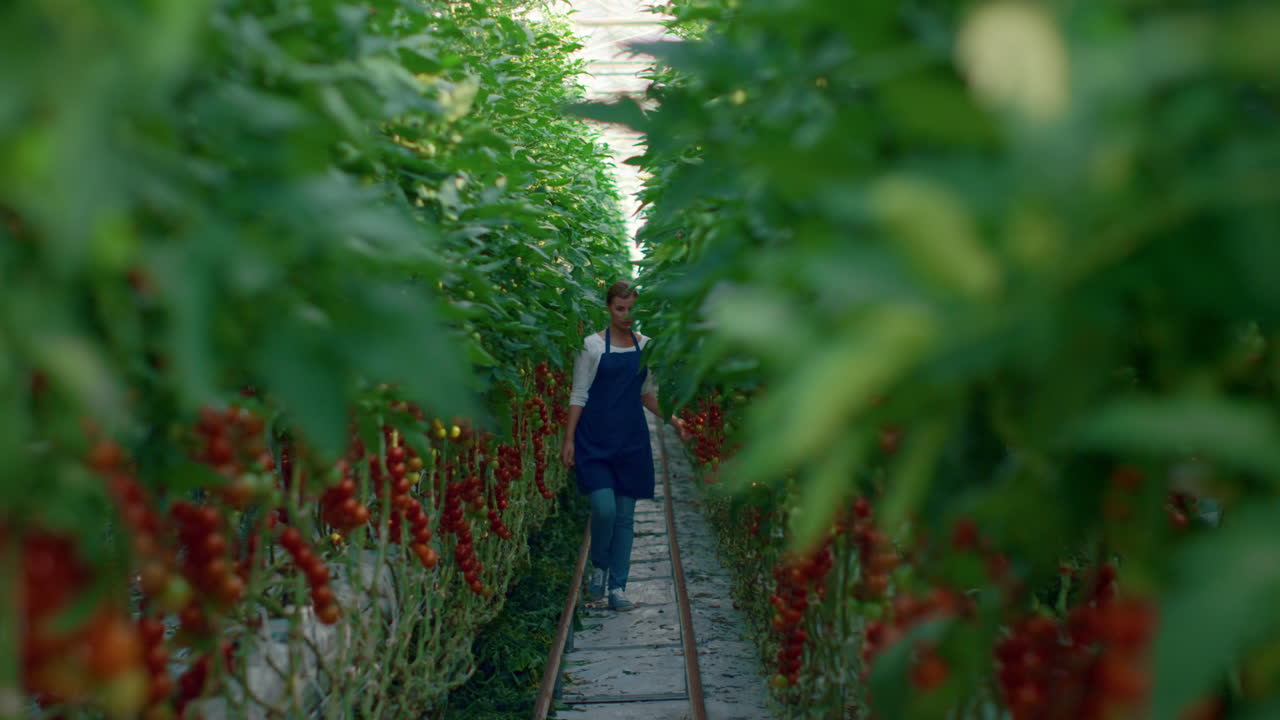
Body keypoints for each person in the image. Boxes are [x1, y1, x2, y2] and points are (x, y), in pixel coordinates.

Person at [561, 280, 688, 611]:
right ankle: (599, 566)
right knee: (604, 509)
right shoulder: (590, 346)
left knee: (626, 518)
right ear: (608, 308)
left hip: (631, 441)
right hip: (595, 440)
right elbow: (579, 394)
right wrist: (569, 438)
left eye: (632, 309)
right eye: (620, 309)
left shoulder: (646, 346)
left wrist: (672, 420)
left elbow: (647, 394)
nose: (626, 315)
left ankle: (617, 587)